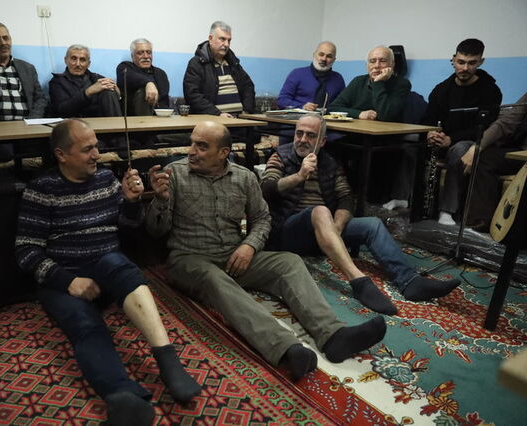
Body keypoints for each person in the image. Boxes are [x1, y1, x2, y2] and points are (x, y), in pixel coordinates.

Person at [145, 120, 387, 382]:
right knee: (214, 278)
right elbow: (155, 232)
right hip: (188, 258)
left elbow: (262, 218)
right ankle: (285, 348)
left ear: (223, 153)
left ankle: (333, 335)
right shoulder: (174, 174)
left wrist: (249, 245)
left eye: (201, 146)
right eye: (192, 143)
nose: (191, 151)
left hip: (232, 255)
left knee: (289, 262)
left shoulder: (244, 177)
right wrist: (160, 200)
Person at [15, 119, 201, 425]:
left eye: (97, 146)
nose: (97, 155)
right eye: (87, 149)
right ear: (61, 155)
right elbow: (26, 251)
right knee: (85, 326)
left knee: (121, 265)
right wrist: (68, 281)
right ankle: (121, 395)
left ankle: (168, 361)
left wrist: (131, 202)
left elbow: (129, 228)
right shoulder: (42, 189)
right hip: (63, 276)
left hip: (106, 265)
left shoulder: (105, 179)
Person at [259, 115, 461, 315]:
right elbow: (266, 188)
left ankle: (410, 281)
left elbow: (346, 197)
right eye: (299, 133)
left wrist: (336, 227)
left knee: (372, 224)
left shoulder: (329, 161)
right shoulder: (280, 156)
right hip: (288, 232)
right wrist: (299, 176)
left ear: (322, 141)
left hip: (326, 230)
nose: (302, 139)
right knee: (319, 211)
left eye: (310, 135)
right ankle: (358, 281)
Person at [383, 39, 502, 223]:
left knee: (459, 150)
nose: (465, 68)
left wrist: (451, 139)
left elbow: (486, 127)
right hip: (440, 138)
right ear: (453, 60)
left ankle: (447, 211)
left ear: (481, 62)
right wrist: (430, 133)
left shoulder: (491, 91)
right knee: (409, 140)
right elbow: (428, 119)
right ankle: (401, 197)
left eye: (471, 63)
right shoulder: (441, 89)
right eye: (461, 62)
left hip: (469, 143)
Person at [467, 93, 527, 231]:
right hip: (520, 152)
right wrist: (477, 147)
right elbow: (506, 122)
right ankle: (482, 220)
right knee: (484, 158)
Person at [183, 21, 255, 117]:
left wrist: (246, 111)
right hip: (213, 119)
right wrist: (218, 114)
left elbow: (248, 87)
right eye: (222, 39)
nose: (226, 44)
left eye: (229, 40)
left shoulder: (233, 62)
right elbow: (192, 95)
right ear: (210, 39)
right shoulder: (197, 63)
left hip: (240, 118)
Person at [328, 45, 410, 122]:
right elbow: (333, 108)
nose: (377, 65)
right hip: (358, 130)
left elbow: (386, 116)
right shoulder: (358, 81)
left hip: (387, 131)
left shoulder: (402, 84)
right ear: (367, 66)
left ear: (392, 64)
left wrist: (378, 82)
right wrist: (359, 114)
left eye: (383, 61)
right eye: (372, 61)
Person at [49, 44, 122, 118]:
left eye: (82, 60)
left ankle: (117, 125)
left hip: (99, 121)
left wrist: (116, 91)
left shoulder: (97, 78)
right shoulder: (57, 82)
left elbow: (115, 99)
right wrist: (88, 92)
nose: (78, 64)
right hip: (73, 122)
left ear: (88, 64)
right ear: (66, 60)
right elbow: (61, 110)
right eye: (74, 59)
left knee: (109, 92)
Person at [277, 41, 345, 111]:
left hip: (327, 117)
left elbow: (343, 104)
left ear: (334, 60)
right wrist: (301, 106)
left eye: (329, 56)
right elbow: (282, 101)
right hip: (299, 116)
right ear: (314, 55)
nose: (324, 59)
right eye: (321, 54)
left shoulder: (338, 79)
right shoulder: (297, 74)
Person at [116, 38, 170, 116]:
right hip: (133, 118)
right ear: (132, 56)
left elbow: (164, 101)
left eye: (149, 52)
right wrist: (148, 83)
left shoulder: (160, 73)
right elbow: (131, 77)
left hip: (159, 117)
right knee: (143, 91)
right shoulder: (125, 67)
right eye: (140, 53)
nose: (146, 56)